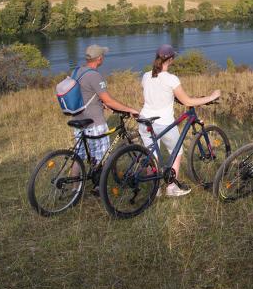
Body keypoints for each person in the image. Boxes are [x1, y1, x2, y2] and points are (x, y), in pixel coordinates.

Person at [138, 44, 221, 197]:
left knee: (152, 155)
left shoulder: (146, 76)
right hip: (162, 121)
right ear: (171, 59)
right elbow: (187, 101)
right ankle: (171, 188)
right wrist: (211, 97)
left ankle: (154, 189)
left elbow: (155, 93)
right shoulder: (171, 79)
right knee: (176, 152)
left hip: (144, 120)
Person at [71, 45, 139, 186]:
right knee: (102, 156)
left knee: (79, 156)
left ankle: (74, 189)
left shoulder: (77, 72)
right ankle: (99, 187)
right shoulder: (94, 75)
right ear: (100, 59)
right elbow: (108, 100)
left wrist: (99, 103)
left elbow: (85, 94)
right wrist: (130, 109)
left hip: (78, 120)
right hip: (94, 122)